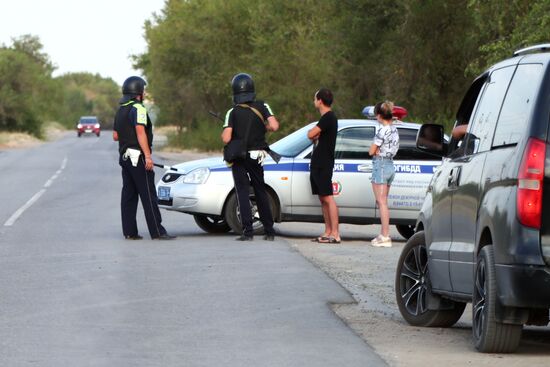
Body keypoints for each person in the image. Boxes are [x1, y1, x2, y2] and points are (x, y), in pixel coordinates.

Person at [113, 76, 174, 240]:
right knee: (148, 194)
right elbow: (140, 132)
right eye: (143, 89)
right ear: (138, 92)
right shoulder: (138, 109)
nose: (144, 92)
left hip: (124, 157)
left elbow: (115, 136)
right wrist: (147, 156)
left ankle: (130, 232)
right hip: (137, 157)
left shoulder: (121, 109)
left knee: (129, 195)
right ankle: (157, 231)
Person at [221, 73, 280, 241]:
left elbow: (226, 138)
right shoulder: (263, 105)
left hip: (239, 156)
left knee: (242, 192)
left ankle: (248, 232)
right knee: (260, 190)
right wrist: (264, 127)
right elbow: (274, 126)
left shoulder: (232, 112)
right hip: (257, 155)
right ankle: (269, 231)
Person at [307, 88, 340, 244]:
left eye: (315, 98)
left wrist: (314, 133)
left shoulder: (328, 117)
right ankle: (327, 231)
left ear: (320, 100)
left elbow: (310, 134)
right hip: (318, 161)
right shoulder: (325, 119)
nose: (314, 101)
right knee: (322, 198)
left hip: (324, 162)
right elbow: (315, 135)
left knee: (328, 197)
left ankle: (335, 233)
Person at [369, 101, 399, 247]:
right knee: (384, 202)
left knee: (381, 203)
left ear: (380, 116)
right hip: (390, 165)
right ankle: (383, 234)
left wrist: (375, 150)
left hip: (380, 165)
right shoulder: (394, 129)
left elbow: (371, 151)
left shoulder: (382, 130)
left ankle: (385, 236)